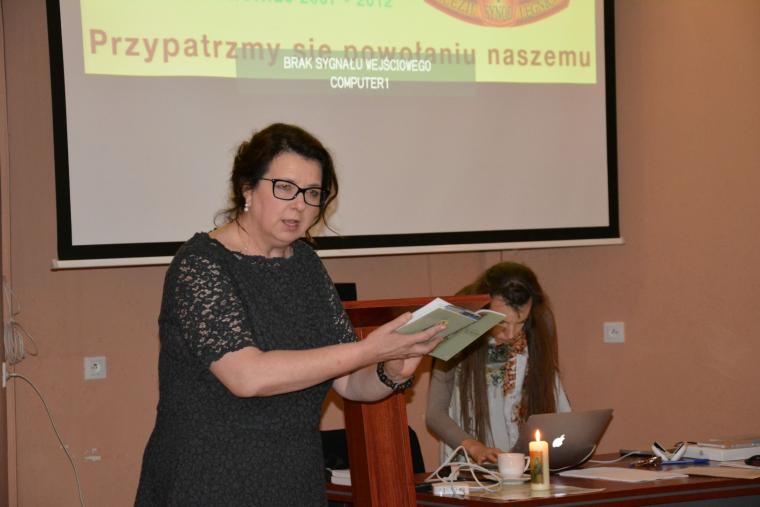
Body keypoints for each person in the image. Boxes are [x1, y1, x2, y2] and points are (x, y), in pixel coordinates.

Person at [135, 123, 445, 506]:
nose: (300, 205)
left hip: (295, 480)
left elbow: (349, 382)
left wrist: (392, 371)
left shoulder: (306, 264)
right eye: (285, 188)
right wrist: (369, 351)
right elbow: (247, 376)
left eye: (313, 193)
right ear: (247, 188)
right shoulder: (200, 265)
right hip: (208, 480)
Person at [425, 262, 570, 465]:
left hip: (526, 464)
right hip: (472, 467)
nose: (511, 334)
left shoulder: (539, 327)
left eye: (520, 323)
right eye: (501, 321)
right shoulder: (458, 331)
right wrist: (474, 447)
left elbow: (555, 403)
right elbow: (434, 414)